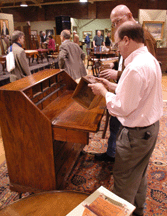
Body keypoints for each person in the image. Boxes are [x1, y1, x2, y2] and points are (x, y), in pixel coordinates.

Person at [88, 21, 163, 216]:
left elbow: (122, 108)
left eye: (117, 43)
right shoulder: (150, 59)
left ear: (127, 40)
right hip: (150, 129)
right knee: (139, 174)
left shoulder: (134, 68)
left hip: (135, 135)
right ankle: (137, 211)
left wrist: (103, 92)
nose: (117, 48)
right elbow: (138, 93)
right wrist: (112, 86)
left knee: (122, 180)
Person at [95, 4, 157, 162]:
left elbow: (140, 70)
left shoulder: (142, 36)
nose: (115, 25)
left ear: (129, 16)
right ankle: (112, 152)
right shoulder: (129, 36)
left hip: (136, 118)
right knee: (115, 126)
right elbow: (128, 59)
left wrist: (116, 76)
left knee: (120, 125)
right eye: (113, 23)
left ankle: (115, 154)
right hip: (127, 91)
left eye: (117, 21)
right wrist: (114, 65)